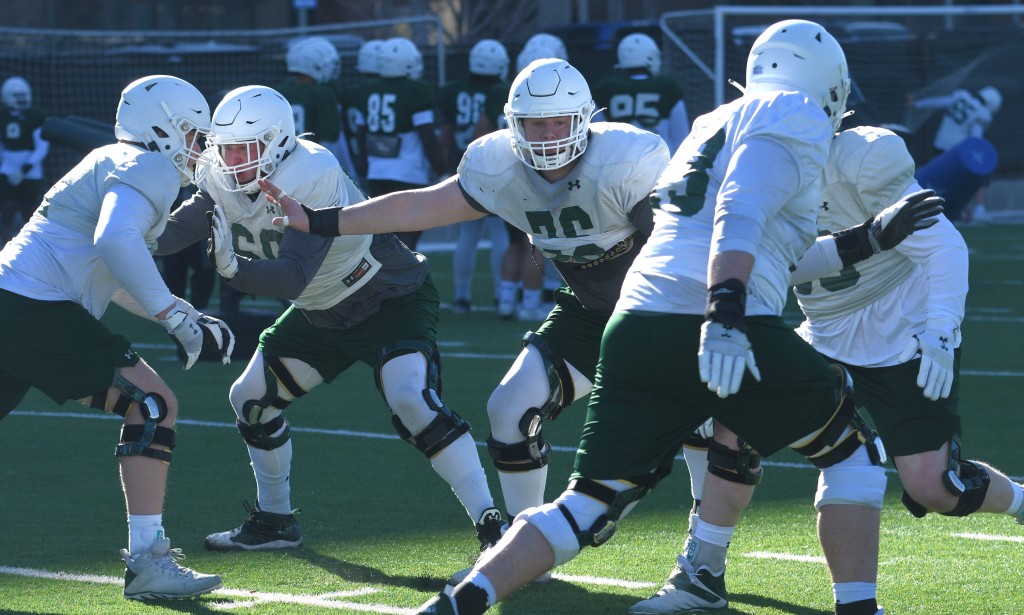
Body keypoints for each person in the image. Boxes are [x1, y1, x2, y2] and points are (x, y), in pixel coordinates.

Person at [263, 40, 936, 611]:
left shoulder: (630, 160)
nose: (548, 137)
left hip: (675, 308)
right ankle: (523, 553)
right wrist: (322, 221)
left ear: (587, 120)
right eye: (535, 125)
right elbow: (426, 204)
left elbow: (697, 238)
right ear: (511, 125)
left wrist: (729, 305)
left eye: (560, 124)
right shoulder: (497, 163)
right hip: (592, 314)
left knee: (705, 430)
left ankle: (701, 560)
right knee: (509, 407)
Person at [408, 18, 894, 615]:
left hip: (633, 320)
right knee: (853, 455)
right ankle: (816, 600)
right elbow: (740, 209)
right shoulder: (794, 114)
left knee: (586, 503)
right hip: (709, 308)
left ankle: (462, 601)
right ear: (829, 86)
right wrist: (726, 307)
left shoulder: (709, 124)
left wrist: (858, 243)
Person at [632, 123, 1024, 615]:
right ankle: (703, 575)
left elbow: (944, 245)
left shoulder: (863, 155)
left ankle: (1022, 501)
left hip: (901, 330)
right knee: (736, 430)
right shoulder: (745, 163)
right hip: (822, 332)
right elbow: (754, 262)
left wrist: (941, 328)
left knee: (935, 488)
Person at [153, 84, 503, 560]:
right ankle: (275, 520)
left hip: (385, 296)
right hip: (322, 312)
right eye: (225, 147)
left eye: (244, 148)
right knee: (250, 399)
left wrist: (234, 269)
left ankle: (492, 526)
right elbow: (179, 230)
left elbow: (295, 277)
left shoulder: (311, 170)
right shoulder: (218, 174)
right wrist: (127, 232)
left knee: (410, 399)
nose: (232, 160)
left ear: (277, 142)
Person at [0, 74, 234, 601]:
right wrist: (174, 315)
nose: (201, 150)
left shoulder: (118, 160)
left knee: (148, 403)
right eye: (196, 136)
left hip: (16, 306)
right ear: (165, 129)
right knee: (152, 403)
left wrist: (181, 313)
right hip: (33, 310)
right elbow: (114, 242)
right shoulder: (146, 164)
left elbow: (117, 266)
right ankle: (148, 561)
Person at [438, 39, 511, 314]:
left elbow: (445, 133)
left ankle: (461, 295)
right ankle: (500, 292)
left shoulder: (453, 91)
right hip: (497, 168)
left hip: (464, 165)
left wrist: (445, 165)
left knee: (467, 235)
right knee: (499, 234)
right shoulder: (501, 92)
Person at [356, 36, 445, 251]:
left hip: (377, 173)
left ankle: (389, 282)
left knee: (384, 239)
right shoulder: (415, 90)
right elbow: (427, 135)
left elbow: (361, 136)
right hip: (408, 173)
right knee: (408, 240)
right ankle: (406, 283)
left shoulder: (365, 90)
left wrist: (365, 169)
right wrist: (441, 168)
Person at [910, 86, 1001, 221]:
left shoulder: (961, 96)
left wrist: (917, 104)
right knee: (965, 179)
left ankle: (926, 208)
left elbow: (939, 102)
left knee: (938, 180)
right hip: (956, 152)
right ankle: (974, 210)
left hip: (939, 144)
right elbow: (976, 137)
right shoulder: (982, 114)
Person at [592, 33, 690, 153]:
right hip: (659, 160)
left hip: (618, 161)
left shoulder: (606, 88)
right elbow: (681, 135)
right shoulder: (667, 87)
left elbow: (597, 132)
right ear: (650, 57)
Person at [0, 76, 49, 242]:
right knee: (7, 207)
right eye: (16, 95)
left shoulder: (37, 116)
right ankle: (5, 242)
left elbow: (42, 147)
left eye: (24, 95)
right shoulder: (3, 115)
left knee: (31, 210)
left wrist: (24, 169)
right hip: (7, 167)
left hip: (31, 169)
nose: (22, 99)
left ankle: (33, 243)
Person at [277, 36, 342, 147]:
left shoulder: (277, 92)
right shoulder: (323, 94)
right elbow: (331, 137)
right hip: (311, 157)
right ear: (314, 65)